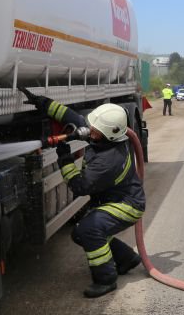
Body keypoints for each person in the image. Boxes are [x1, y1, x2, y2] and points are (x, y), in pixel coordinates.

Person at [25, 93, 144, 298]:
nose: (88, 129)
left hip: (127, 205)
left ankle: (106, 279)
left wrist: (64, 158)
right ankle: (126, 258)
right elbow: (71, 117)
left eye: (93, 129)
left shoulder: (108, 161)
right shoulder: (105, 136)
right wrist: (44, 103)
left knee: (89, 229)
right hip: (116, 200)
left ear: (107, 133)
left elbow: (80, 186)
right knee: (79, 233)